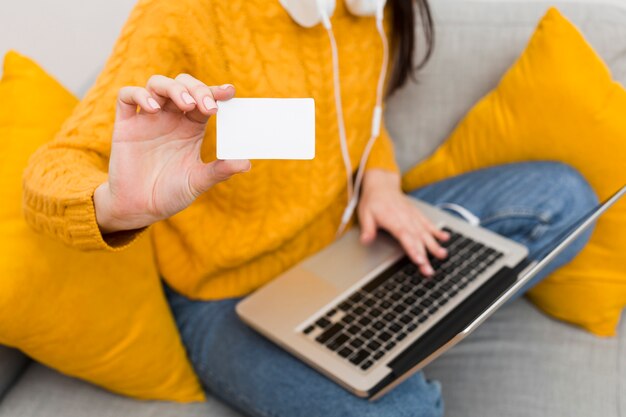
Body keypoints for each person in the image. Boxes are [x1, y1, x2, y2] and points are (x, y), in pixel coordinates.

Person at [22, 0, 598, 416]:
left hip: (355, 244)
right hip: (228, 302)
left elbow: (362, 121)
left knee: (564, 197)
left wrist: (380, 181)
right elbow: (51, 173)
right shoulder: (181, 14)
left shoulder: (370, 11)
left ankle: (397, 326)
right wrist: (115, 205)